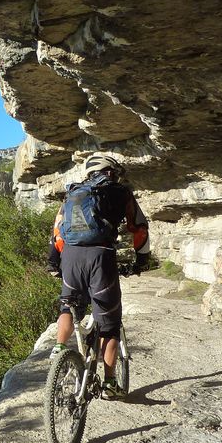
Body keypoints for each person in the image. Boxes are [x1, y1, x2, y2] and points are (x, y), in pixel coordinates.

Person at [46, 154, 150, 399]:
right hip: (100, 258)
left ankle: (59, 348)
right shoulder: (119, 191)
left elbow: (57, 231)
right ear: (110, 172)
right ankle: (110, 383)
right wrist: (141, 261)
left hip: (70, 257)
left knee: (68, 305)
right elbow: (140, 227)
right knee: (110, 325)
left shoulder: (72, 193)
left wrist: (54, 262)